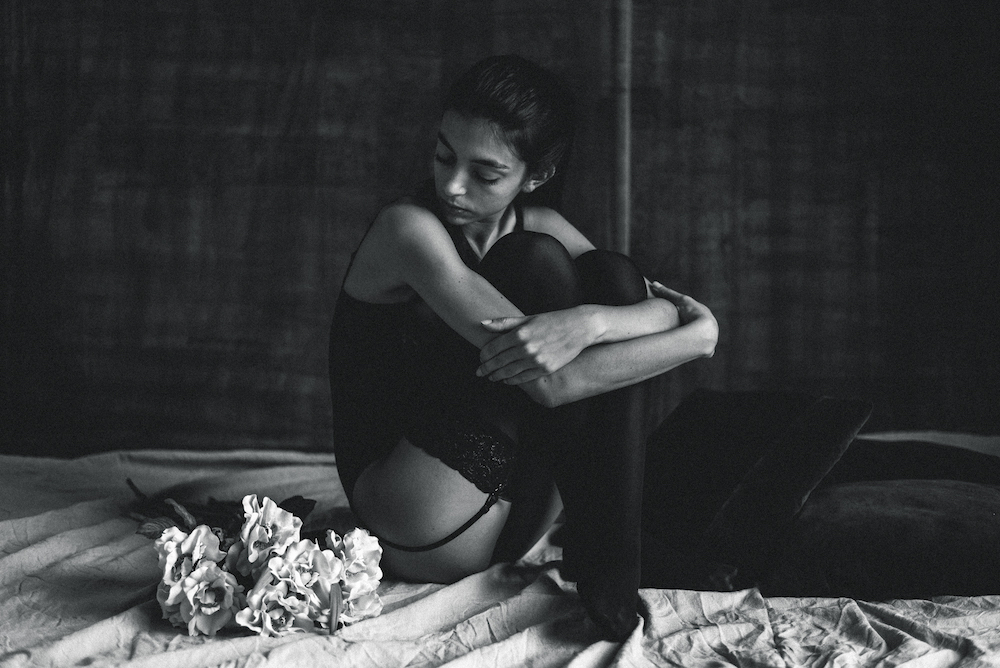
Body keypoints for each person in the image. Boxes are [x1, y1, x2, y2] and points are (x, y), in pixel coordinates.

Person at [328, 54, 719, 640]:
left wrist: (590, 322)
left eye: (484, 174)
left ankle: (609, 558)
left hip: (516, 519)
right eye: (443, 156)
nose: (452, 185)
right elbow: (554, 385)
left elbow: (651, 303)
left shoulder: (538, 221)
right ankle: (614, 557)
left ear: (535, 176)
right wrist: (698, 338)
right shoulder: (407, 230)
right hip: (415, 519)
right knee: (535, 263)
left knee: (608, 273)